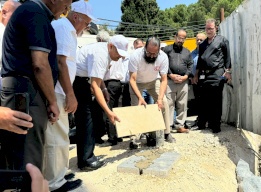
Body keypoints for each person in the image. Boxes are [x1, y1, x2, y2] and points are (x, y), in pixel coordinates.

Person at [0, 0, 71, 170]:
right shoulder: (36, 13)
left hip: (26, 90)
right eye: (67, 3)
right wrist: (52, 101)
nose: (67, 8)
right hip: (24, 92)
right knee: (26, 154)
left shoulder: (35, 12)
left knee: (26, 149)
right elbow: (40, 64)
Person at [43, 1, 94, 191]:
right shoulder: (64, 28)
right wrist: (71, 95)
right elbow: (61, 63)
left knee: (62, 136)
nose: (87, 27)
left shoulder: (68, 29)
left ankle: (60, 174)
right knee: (56, 139)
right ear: (75, 17)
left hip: (60, 90)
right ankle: (55, 183)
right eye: (86, 23)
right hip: (58, 90)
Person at [74, 35, 128, 171]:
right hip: (78, 83)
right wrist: (109, 112)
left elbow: (97, 78)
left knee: (87, 120)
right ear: (110, 46)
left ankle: (86, 156)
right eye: (119, 53)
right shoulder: (101, 55)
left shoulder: (103, 51)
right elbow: (94, 86)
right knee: (87, 121)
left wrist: (104, 89)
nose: (120, 57)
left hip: (82, 81)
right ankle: (86, 160)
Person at [129, 36, 176, 148]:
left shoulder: (163, 57)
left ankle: (167, 133)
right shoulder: (135, 56)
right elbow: (132, 79)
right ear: (145, 48)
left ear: (159, 50)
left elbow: (164, 79)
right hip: (137, 83)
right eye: (149, 53)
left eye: (154, 54)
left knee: (164, 102)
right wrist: (140, 97)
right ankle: (134, 137)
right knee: (136, 108)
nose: (151, 56)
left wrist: (159, 99)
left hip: (154, 81)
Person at [192, 18, 232, 133]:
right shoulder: (203, 44)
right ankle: (203, 123)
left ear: (216, 28)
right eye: (207, 28)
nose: (208, 31)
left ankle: (215, 125)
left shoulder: (222, 40)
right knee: (204, 100)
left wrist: (228, 71)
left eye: (211, 28)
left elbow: (227, 57)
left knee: (216, 100)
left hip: (217, 73)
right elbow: (200, 59)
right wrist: (196, 74)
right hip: (204, 75)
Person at [163, 29, 192, 134]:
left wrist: (185, 76)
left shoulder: (187, 51)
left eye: (183, 38)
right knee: (169, 104)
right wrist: (170, 74)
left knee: (182, 104)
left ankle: (180, 125)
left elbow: (190, 65)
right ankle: (169, 126)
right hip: (170, 81)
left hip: (183, 82)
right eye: (179, 37)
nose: (181, 40)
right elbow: (163, 64)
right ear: (175, 37)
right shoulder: (167, 50)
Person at [190, 33, 206, 128]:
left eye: (201, 40)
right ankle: (200, 119)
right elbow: (189, 66)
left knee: (206, 101)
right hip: (195, 81)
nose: (199, 41)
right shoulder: (192, 54)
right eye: (198, 40)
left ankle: (206, 120)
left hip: (206, 80)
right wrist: (191, 77)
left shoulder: (207, 52)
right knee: (198, 101)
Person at [133, 38, 154, 104]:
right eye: (136, 48)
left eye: (140, 47)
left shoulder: (151, 56)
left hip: (151, 85)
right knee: (141, 107)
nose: (139, 50)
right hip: (140, 86)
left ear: (144, 45)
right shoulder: (134, 58)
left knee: (151, 107)